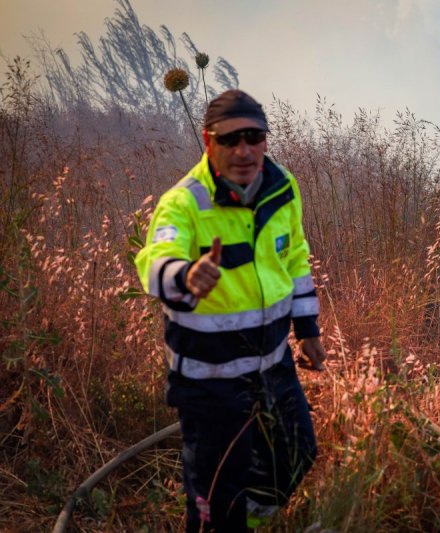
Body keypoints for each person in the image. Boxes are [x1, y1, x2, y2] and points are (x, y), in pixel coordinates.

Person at [135, 89, 327, 532]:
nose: (243, 150)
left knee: (297, 454)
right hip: (209, 383)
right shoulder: (185, 202)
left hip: (273, 365)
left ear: (265, 140)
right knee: (216, 498)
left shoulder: (282, 187)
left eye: (253, 137)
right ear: (209, 142)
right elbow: (154, 260)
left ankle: (251, 523)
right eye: (230, 139)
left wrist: (307, 327)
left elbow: (295, 257)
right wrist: (185, 277)